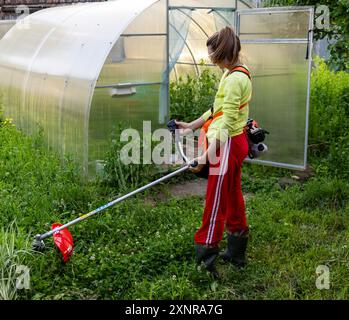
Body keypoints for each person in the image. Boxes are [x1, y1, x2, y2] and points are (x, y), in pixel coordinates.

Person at [175, 26, 252, 278]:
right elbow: (216, 110)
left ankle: (206, 259)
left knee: (215, 200)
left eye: (214, 57)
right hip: (232, 141)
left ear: (225, 53)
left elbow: (227, 123)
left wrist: (206, 157)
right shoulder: (234, 73)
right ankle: (236, 251)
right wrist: (191, 126)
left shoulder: (235, 79)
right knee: (231, 196)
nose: (213, 62)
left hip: (225, 144)